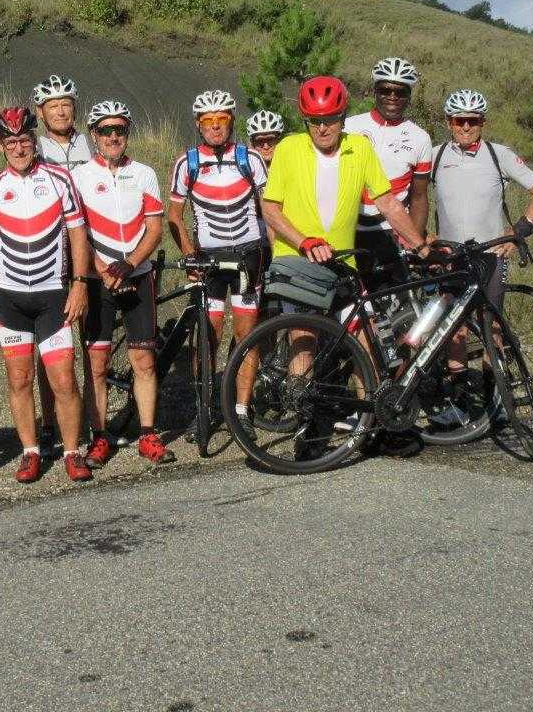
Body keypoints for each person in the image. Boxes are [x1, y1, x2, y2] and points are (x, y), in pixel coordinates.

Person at [0, 107, 95, 483]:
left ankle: (72, 451)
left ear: (34, 141)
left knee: (64, 380)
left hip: (52, 298)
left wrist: (80, 283)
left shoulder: (60, 178)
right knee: (19, 379)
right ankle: (30, 452)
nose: (19, 148)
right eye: (11, 142)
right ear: (1, 145)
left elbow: (78, 233)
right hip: (10, 298)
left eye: (25, 140)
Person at [71, 100, 174, 467]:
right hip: (97, 280)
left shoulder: (144, 173)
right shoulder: (79, 177)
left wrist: (129, 264)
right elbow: (77, 233)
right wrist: (102, 269)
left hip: (138, 274)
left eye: (120, 130)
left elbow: (155, 229)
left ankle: (148, 434)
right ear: (93, 134)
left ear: (127, 133)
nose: (113, 136)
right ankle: (99, 437)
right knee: (97, 364)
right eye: (105, 130)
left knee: (144, 360)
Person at [430, 88, 533, 379]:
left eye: (473, 120)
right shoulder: (435, 155)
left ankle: (494, 390)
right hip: (450, 255)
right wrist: (424, 235)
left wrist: (517, 233)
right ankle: (460, 390)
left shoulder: (499, 155)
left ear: (482, 122)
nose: (466, 127)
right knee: (455, 329)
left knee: (491, 326)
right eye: (459, 121)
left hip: (490, 254)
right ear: (449, 122)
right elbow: (413, 196)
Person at [167, 89, 269, 439]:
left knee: (247, 336)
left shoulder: (250, 159)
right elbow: (174, 215)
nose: (215, 126)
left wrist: (274, 253)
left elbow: (269, 210)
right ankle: (205, 409)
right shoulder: (188, 163)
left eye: (221, 119)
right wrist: (189, 254)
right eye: (208, 120)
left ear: (231, 121)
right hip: (208, 261)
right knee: (207, 339)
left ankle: (241, 410)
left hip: (248, 256)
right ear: (198, 124)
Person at [263, 76, 430, 267]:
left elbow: (388, 204)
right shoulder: (288, 148)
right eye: (314, 121)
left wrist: (423, 249)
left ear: (342, 118)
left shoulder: (360, 147)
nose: (322, 129)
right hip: (294, 260)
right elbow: (270, 209)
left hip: (343, 263)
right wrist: (303, 242)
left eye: (330, 119)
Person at [31, 74, 93, 454]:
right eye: (52, 105)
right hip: (50, 252)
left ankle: (88, 419)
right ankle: (49, 421)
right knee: (49, 346)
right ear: (41, 112)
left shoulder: (91, 142)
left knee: (90, 342)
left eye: (66, 104)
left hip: (87, 247)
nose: (60, 111)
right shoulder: (33, 147)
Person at [344, 58, 432, 286]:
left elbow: (419, 197)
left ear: (409, 96)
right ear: (375, 91)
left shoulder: (420, 138)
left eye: (400, 92)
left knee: (392, 301)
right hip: (347, 228)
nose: (392, 96)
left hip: (390, 232)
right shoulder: (349, 127)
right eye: (385, 90)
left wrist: (413, 241)